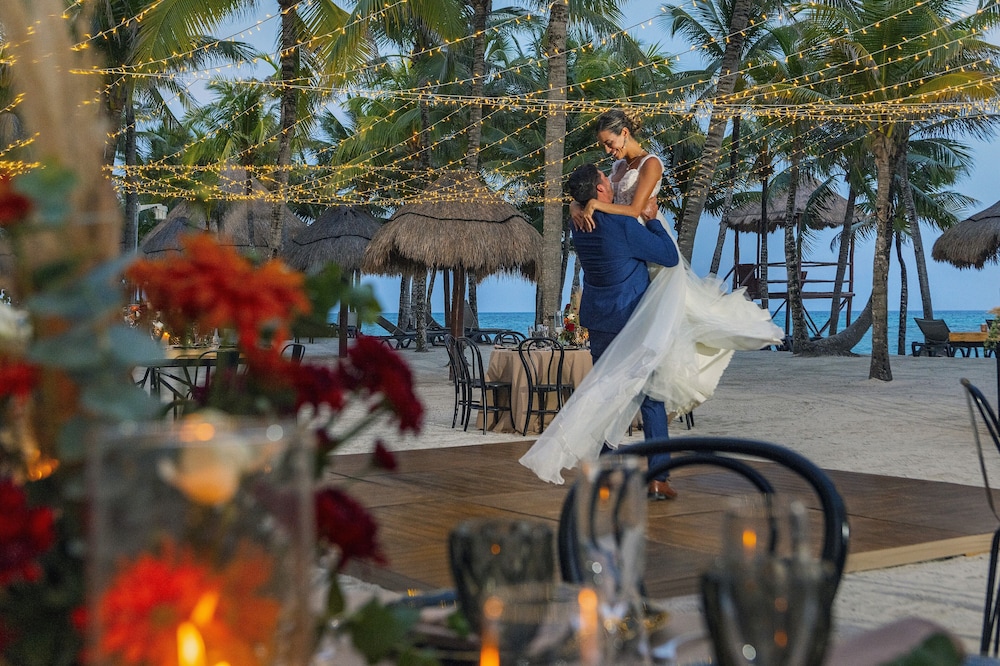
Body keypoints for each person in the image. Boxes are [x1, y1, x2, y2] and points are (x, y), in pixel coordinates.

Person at [519, 110, 784, 487]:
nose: (607, 152)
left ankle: (608, 470)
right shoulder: (611, 186)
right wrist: (588, 205)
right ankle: (657, 476)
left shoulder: (640, 174)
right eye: (603, 147)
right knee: (649, 393)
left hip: (617, 289)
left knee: (612, 392)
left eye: (609, 143)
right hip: (634, 283)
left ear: (625, 133)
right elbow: (641, 227)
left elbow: (627, 208)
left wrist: (584, 205)